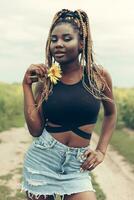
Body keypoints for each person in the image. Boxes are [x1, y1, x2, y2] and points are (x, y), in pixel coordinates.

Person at [21, 9, 117, 200]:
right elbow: (35, 130)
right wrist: (26, 85)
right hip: (42, 160)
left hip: (76, 166)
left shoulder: (98, 76)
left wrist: (101, 150)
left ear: (81, 43)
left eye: (67, 38)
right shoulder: (47, 79)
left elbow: (111, 114)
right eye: (54, 40)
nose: (59, 44)